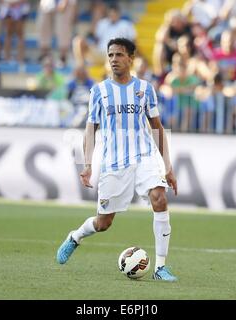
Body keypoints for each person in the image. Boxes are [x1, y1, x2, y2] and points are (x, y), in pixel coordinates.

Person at [56, 38, 179, 282]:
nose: (114, 59)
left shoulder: (145, 89)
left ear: (131, 58)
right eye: (110, 55)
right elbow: (90, 129)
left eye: (119, 55)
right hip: (114, 163)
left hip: (144, 157)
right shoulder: (99, 91)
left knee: (159, 197)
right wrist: (88, 165)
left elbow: (157, 127)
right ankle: (76, 236)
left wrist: (167, 166)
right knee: (103, 223)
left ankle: (160, 268)